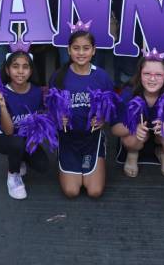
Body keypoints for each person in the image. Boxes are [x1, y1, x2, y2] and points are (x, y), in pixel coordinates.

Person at [49, 26, 114, 198]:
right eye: (76, 48)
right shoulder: (58, 76)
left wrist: (103, 120)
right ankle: (62, 155)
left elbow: (110, 107)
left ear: (94, 51)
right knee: (71, 192)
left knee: (94, 192)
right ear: (69, 50)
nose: (81, 53)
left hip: (91, 138)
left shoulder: (102, 77)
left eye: (86, 48)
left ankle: (101, 148)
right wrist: (57, 118)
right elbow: (50, 107)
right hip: (68, 138)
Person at [111, 52, 164, 178]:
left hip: (163, 140)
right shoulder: (128, 93)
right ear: (139, 75)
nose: (152, 79)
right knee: (129, 138)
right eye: (147, 74)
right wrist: (132, 127)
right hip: (137, 139)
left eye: (158, 75)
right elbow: (115, 129)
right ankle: (132, 153)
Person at [0, 48, 49, 200]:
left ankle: (19, 158)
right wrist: (2, 106)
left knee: (42, 165)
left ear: (31, 71)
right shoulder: (1, 93)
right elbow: (9, 131)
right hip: (4, 137)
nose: (20, 71)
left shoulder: (37, 92)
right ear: (7, 70)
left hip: (26, 137)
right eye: (15, 66)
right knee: (16, 143)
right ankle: (13, 176)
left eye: (25, 66)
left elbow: (39, 122)